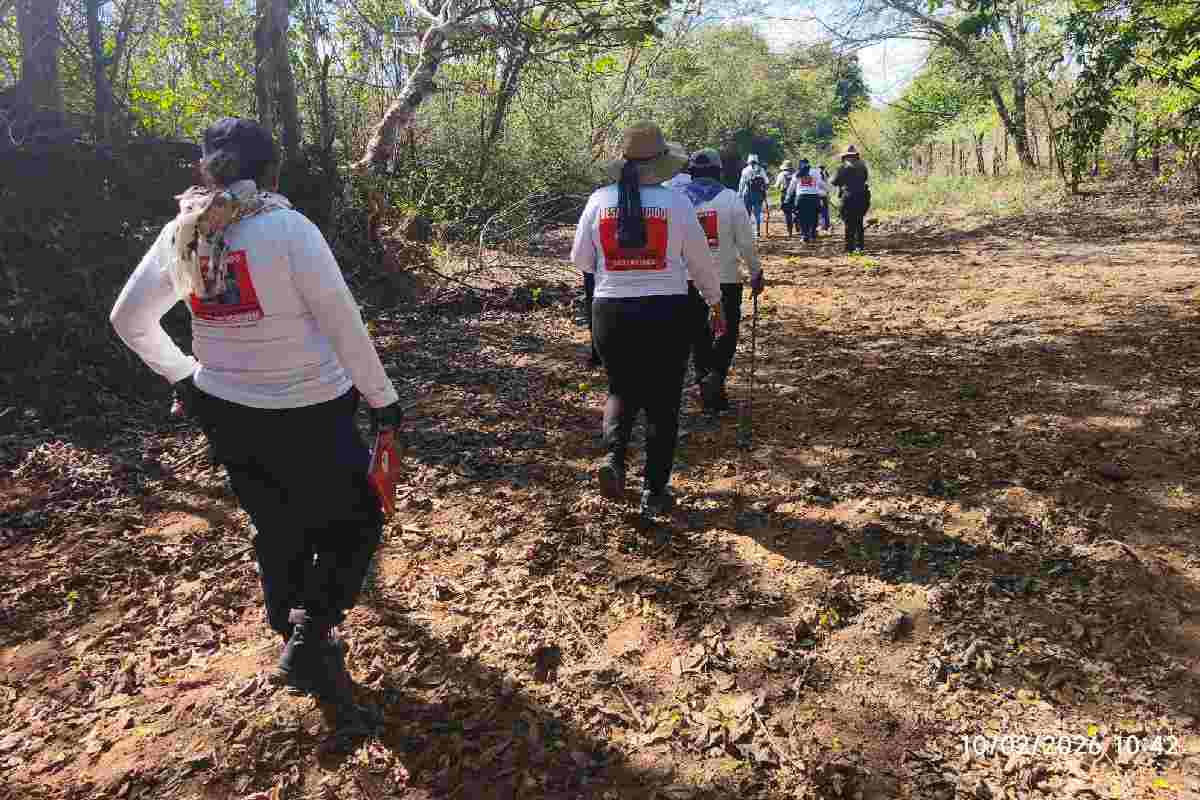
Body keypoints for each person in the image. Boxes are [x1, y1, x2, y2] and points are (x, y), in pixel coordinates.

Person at [110, 118, 401, 705]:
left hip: (226, 409)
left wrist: (184, 375)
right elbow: (343, 325)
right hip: (311, 408)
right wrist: (383, 400)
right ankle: (310, 631)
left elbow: (127, 319)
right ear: (272, 169)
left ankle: (291, 627)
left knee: (276, 520)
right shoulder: (289, 229)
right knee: (357, 522)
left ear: (207, 170)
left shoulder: (182, 232)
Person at [571, 122, 723, 516]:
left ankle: (614, 461)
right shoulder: (676, 204)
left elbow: (581, 261)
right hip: (665, 312)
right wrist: (715, 301)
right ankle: (654, 492)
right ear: (661, 165)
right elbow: (700, 262)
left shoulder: (598, 200)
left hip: (610, 312)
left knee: (620, 390)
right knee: (663, 402)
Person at [683, 148, 765, 412]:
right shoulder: (730, 199)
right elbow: (745, 242)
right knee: (727, 331)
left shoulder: (677, 200)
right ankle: (716, 375)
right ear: (719, 171)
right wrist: (756, 272)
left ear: (691, 172)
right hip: (726, 278)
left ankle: (704, 380)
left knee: (697, 333)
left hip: (687, 280)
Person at [832, 145, 871, 253]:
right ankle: (860, 246)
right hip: (863, 196)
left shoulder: (842, 167)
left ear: (844, 157)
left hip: (848, 196)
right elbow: (865, 178)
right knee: (859, 221)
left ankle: (849, 248)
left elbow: (834, 182)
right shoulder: (863, 166)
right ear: (856, 156)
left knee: (849, 223)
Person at [784, 158, 827, 243]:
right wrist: (826, 191)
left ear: (800, 165)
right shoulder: (816, 172)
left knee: (802, 217)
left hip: (801, 198)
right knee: (814, 215)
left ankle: (804, 235)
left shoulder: (797, 174)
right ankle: (813, 232)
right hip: (814, 197)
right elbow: (821, 184)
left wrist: (787, 198)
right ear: (809, 164)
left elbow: (791, 187)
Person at [738, 153, 769, 238]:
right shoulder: (761, 170)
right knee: (757, 214)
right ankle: (757, 231)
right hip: (758, 194)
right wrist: (764, 192)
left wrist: (739, 194)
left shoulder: (745, 170)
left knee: (747, 213)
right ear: (757, 161)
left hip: (747, 194)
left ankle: (747, 232)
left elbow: (742, 184)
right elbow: (766, 182)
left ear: (748, 161)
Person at [775, 160, 797, 237]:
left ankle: (790, 231)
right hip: (795, 195)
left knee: (788, 214)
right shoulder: (795, 174)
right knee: (796, 212)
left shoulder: (781, 174)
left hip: (785, 195)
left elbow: (777, 186)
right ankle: (798, 228)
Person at [818, 165, 832, 232]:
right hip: (825, 194)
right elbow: (828, 185)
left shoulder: (819, 174)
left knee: (821, 211)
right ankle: (826, 225)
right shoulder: (825, 173)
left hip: (819, 195)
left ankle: (823, 226)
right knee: (825, 210)